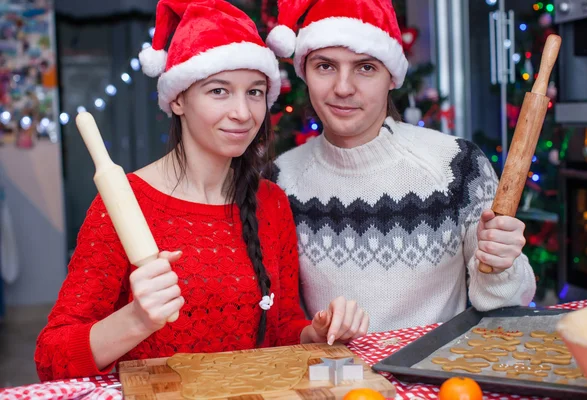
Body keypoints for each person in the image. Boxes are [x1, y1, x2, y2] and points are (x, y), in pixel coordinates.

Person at [35, 0, 369, 382]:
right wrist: (135, 319)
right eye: (219, 92)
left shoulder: (270, 203)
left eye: (255, 92)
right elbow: (51, 356)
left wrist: (315, 332)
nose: (243, 113)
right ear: (177, 99)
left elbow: (280, 328)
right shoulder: (125, 203)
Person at [266, 0, 536, 333]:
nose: (343, 88)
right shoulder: (279, 180)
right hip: (333, 380)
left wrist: (501, 264)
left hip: (435, 378)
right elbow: (278, 317)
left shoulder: (457, 166)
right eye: (325, 66)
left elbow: (508, 303)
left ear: (391, 77)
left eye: (365, 67)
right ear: (304, 71)